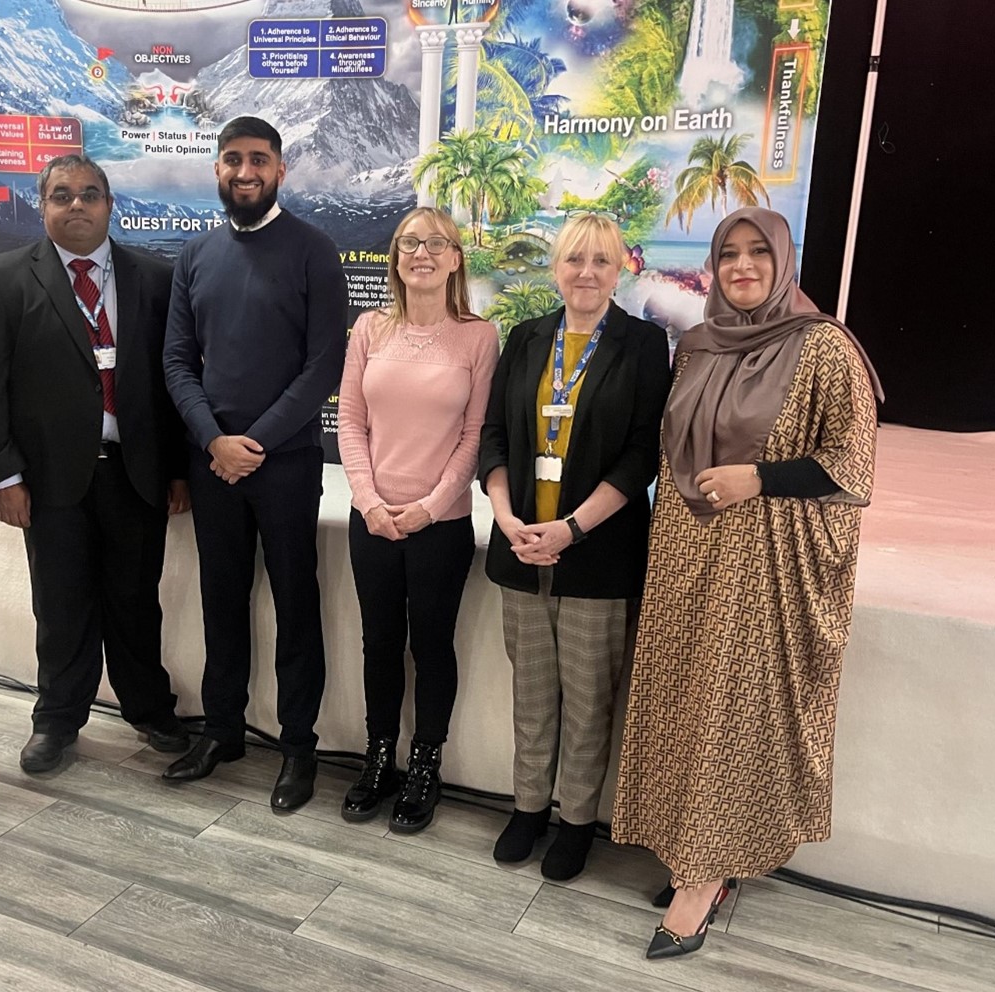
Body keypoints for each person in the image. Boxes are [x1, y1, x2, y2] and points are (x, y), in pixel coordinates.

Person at [612, 207, 882, 960]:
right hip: (687, 557)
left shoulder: (823, 347)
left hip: (762, 569)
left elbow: (850, 467)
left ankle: (700, 882)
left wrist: (756, 478)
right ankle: (694, 851)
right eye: (726, 253)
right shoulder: (696, 346)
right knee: (684, 704)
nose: (739, 267)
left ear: (782, 259)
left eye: (756, 252)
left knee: (730, 715)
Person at [0, 154, 190, 774]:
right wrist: (4, 476)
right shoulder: (8, 277)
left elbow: (171, 382)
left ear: (109, 205)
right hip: (49, 480)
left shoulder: (152, 277)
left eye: (90, 195)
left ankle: (149, 710)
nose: (76, 205)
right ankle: (58, 719)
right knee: (61, 605)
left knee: (136, 602)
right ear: (42, 205)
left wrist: (176, 469)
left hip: (135, 473)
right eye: (61, 195)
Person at [162, 116, 347, 810]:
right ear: (217, 169)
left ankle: (298, 749)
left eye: (259, 160)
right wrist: (214, 441)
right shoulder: (195, 257)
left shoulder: (312, 250)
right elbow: (177, 361)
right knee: (220, 602)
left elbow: (322, 363)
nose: (245, 171)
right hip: (213, 464)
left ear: (280, 170)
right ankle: (221, 730)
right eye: (233, 160)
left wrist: (256, 443)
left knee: (297, 607)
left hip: (287, 463)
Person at [478, 214, 671, 879]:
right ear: (554, 268)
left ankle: (575, 821)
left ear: (620, 269)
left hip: (597, 553)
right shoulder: (526, 337)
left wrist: (572, 528)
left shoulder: (643, 344)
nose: (585, 273)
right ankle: (528, 807)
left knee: (589, 702)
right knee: (532, 694)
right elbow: (494, 436)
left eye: (600, 261)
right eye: (573, 260)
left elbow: (640, 455)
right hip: (521, 547)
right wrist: (505, 518)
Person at [335, 208, 498, 832]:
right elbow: (351, 421)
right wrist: (371, 503)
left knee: (431, 646)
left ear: (456, 258)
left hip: (442, 523)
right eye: (408, 243)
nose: (420, 253)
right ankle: (379, 757)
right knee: (379, 642)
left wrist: (430, 507)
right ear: (395, 257)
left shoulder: (479, 337)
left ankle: (425, 763)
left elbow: (475, 434)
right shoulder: (369, 329)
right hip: (370, 520)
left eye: (435, 243)